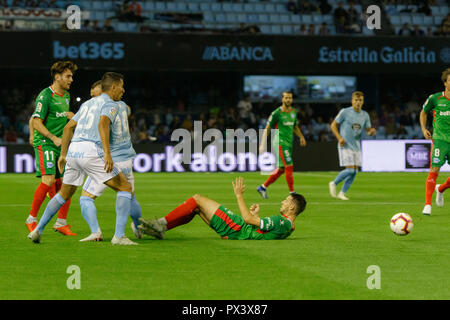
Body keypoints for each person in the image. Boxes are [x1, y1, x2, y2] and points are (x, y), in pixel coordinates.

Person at [28, 72, 136, 245]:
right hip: (92, 151)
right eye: (121, 86)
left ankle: (37, 230)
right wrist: (107, 153)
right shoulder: (110, 104)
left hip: (74, 151)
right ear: (113, 87)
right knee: (125, 187)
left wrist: (63, 154)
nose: (122, 90)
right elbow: (103, 124)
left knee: (63, 194)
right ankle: (119, 236)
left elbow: (68, 128)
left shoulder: (86, 104)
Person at [138, 177, 307, 240]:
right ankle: (161, 228)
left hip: (237, 227)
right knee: (196, 208)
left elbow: (248, 220)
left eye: (286, 201)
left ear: (292, 207)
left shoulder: (282, 222)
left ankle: (160, 224)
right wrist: (255, 216)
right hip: (240, 229)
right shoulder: (288, 226)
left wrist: (239, 195)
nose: (282, 203)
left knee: (196, 199)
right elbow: (261, 228)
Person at [78, 80, 142, 242]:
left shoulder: (104, 109)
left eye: (95, 95)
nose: (93, 99)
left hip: (109, 160)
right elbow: (128, 110)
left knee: (86, 198)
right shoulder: (122, 105)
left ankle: (96, 232)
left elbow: (101, 126)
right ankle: (138, 225)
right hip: (126, 158)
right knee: (129, 195)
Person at [25, 61, 77, 236]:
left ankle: (61, 222)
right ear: (57, 76)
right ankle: (31, 219)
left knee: (66, 183)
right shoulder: (45, 95)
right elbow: (36, 120)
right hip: (46, 143)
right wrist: (51, 137)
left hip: (61, 145)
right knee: (48, 181)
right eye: (68, 76)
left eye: (71, 76)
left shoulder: (67, 96)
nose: (71, 79)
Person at [257, 91, 307, 198]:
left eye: (290, 98)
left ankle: (263, 187)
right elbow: (267, 128)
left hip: (289, 143)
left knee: (281, 169)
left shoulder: (294, 112)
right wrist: (262, 144)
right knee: (289, 166)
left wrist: (301, 136)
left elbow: (295, 127)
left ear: (292, 99)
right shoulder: (276, 113)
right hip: (280, 143)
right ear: (282, 99)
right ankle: (292, 193)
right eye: (286, 98)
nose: (288, 99)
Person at [328, 91, 376, 200]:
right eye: (356, 100)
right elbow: (333, 125)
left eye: (360, 100)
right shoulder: (345, 112)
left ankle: (342, 193)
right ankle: (334, 183)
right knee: (350, 170)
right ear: (352, 101)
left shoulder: (365, 115)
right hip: (345, 145)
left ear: (363, 102)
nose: (358, 102)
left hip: (357, 146)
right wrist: (339, 138)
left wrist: (371, 132)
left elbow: (368, 130)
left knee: (355, 172)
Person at [419, 68, 450, 215]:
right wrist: (424, 128)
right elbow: (423, 112)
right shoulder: (435, 98)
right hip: (439, 140)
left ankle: (441, 188)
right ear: (445, 83)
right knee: (434, 170)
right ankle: (427, 204)